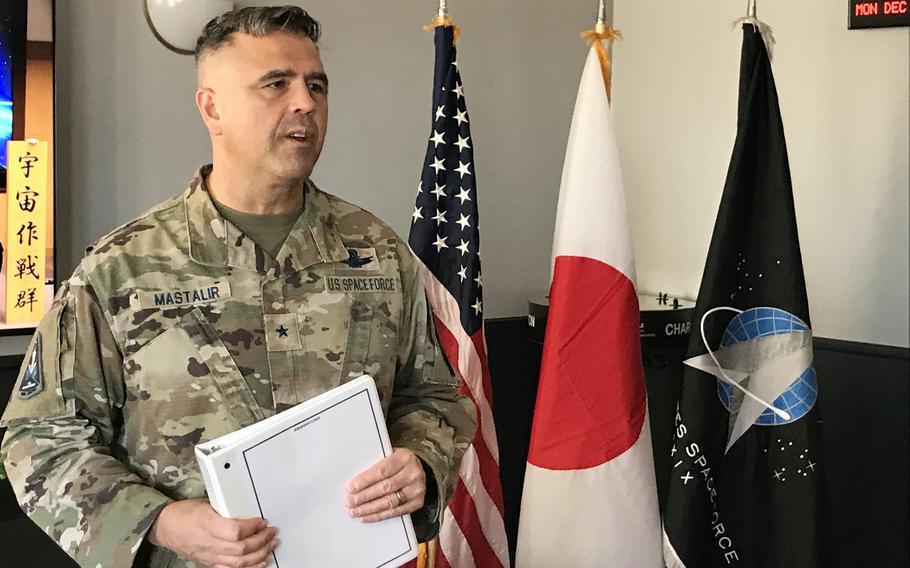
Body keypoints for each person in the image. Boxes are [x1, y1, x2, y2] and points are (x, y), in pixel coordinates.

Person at [0, 6, 476, 568]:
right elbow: (39, 440)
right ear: (212, 107)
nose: (305, 103)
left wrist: (419, 461)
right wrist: (160, 522)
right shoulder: (120, 271)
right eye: (276, 84)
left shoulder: (378, 253)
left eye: (315, 85)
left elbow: (435, 399)